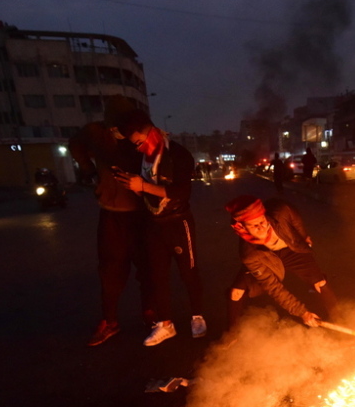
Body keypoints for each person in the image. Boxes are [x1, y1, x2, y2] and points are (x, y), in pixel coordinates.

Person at [112, 109, 206, 346]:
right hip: (153, 223)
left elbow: (181, 192)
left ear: (151, 132)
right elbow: (146, 186)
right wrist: (134, 186)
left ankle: (197, 316)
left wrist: (143, 186)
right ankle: (165, 324)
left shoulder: (178, 154)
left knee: (189, 272)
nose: (138, 148)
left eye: (140, 142)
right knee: (156, 276)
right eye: (135, 145)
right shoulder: (142, 157)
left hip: (178, 220)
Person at [69, 95, 154, 347]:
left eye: (123, 126)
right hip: (112, 213)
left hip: (141, 214)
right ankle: (110, 321)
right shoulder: (96, 132)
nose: (120, 131)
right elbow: (76, 143)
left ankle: (150, 313)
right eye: (115, 126)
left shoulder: (138, 136)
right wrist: (88, 168)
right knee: (110, 270)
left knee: (148, 267)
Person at [225, 195, 338, 329]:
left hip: (291, 250)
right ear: (242, 228)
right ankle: (233, 334)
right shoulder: (249, 254)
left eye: (262, 221)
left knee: (320, 283)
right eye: (254, 225)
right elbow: (274, 287)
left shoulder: (282, 211)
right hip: (266, 259)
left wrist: (303, 237)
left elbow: (296, 221)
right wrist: (302, 312)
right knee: (236, 293)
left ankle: (341, 320)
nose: (262, 227)